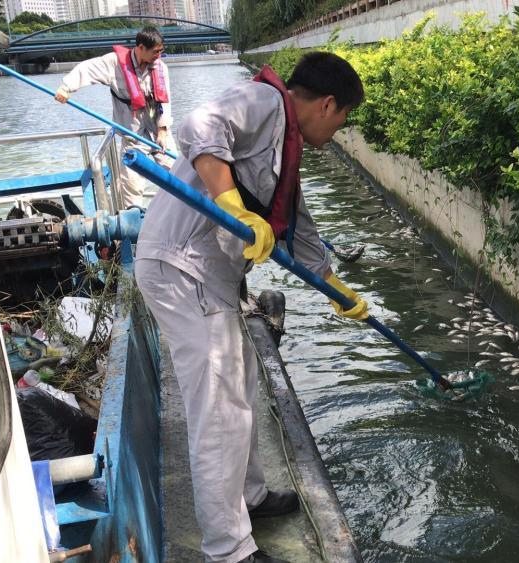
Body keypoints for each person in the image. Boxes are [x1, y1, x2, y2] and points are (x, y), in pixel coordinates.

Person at [134, 52, 367, 563]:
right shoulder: (264, 101)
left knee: (240, 388)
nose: (341, 127)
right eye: (344, 116)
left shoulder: (287, 147)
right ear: (328, 104)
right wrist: (230, 203)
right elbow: (199, 125)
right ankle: (229, 549)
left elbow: (299, 233)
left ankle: (250, 497)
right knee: (218, 412)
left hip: (211, 278)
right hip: (182, 267)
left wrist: (340, 292)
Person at [54, 26, 175, 209]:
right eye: (155, 51)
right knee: (131, 185)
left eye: (161, 51)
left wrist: (163, 130)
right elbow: (87, 69)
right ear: (141, 47)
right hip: (131, 132)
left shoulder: (160, 68)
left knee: (177, 172)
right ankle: (135, 224)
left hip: (158, 130)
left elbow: (165, 101)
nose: (158, 55)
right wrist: (66, 88)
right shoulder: (114, 63)